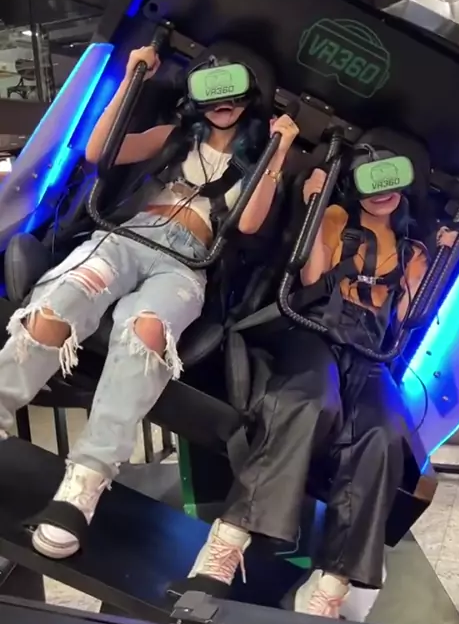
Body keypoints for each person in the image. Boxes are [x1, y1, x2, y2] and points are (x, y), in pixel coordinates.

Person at [0, 43, 299, 560]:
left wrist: (278, 151)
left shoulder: (256, 160)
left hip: (186, 263)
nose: (222, 104)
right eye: (211, 92)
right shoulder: (176, 136)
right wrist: (131, 77)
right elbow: (100, 151)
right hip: (127, 238)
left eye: (232, 92)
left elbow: (249, 223)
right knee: (62, 302)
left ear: (250, 96)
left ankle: (85, 481)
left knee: (147, 332)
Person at [175, 150, 458, 618]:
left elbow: (404, 318)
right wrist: (315, 205)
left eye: (391, 181)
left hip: (367, 350)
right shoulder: (334, 217)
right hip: (315, 329)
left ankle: (331, 581)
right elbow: (311, 276)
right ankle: (229, 539)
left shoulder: (413, 250)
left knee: (383, 434)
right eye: (373, 181)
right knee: (309, 399)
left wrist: (438, 261)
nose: (383, 192)